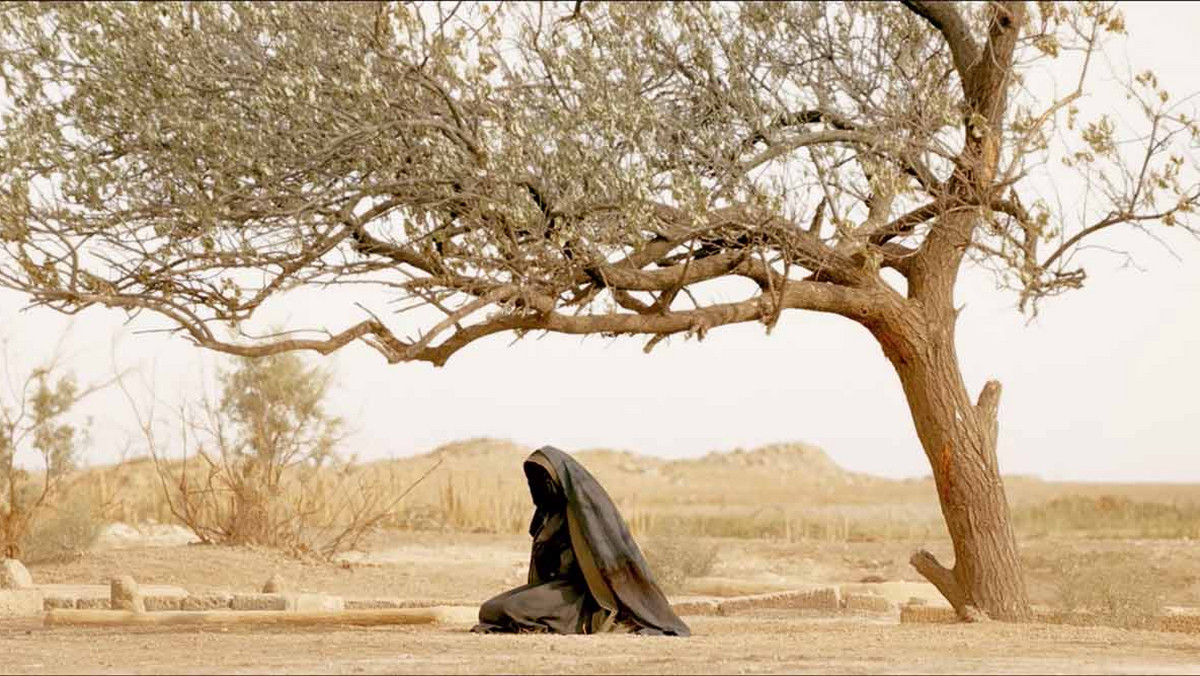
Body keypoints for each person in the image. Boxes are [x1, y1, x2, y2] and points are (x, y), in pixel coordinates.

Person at [471, 445, 690, 636]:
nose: (540, 485)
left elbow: (619, 565)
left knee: (508, 609)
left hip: (586, 597)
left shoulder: (588, 512)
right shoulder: (550, 516)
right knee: (490, 609)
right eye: (536, 480)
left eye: (545, 478)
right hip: (558, 588)